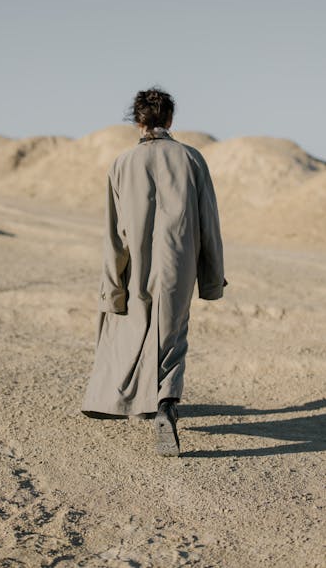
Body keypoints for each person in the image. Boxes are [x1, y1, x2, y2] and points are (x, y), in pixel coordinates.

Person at [81, 86, 227, 456]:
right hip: (179, 263)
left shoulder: (121, 163)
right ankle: (165, 404)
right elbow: (209, 222)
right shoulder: (192, 159)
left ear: (138, 121)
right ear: (170, 119)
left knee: (134, 330)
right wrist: (211, 280)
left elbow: (114, 234)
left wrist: (113, 288)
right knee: (172, 336)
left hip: (135, 265)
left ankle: (129, 400)